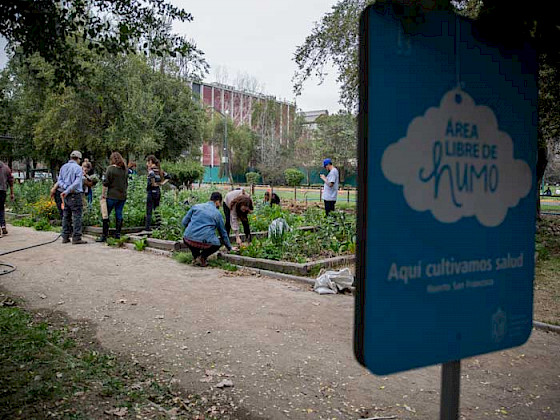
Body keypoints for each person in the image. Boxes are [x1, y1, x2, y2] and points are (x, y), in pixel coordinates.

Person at [182, 192, 234, 267]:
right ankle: (202, 257)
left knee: (194, 242)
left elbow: (184, 222)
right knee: (216, 244)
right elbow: (223, 233)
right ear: (217, 202)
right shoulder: (217, 214)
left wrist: (192, 230)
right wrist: (229, 247)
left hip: (187, 239)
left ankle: (196, 257)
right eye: (220, 203)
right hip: (204, 241)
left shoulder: (196, 207)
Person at [96, 152, 128, 242]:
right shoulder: (124, 170)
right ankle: (118, 234)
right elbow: (126, 183)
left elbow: (105, 183)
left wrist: (103, 195)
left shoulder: (110, 169)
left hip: (112, 196)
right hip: (122, 196)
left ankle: (104, 235)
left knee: (106, 215)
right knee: (119, 214)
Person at [59, 151, 87, 244]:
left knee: (66, 216)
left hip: (65, 195)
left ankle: (65, 236)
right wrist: (68, 190)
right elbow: (77, 182)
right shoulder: (78, 168)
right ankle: (76, 237)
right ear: (78, 159)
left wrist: (65, 188)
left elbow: (60, 180)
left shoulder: (63, 167)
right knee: (77, 216)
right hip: (75, 194)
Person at [145, 155, 168, 231]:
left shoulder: (151, 170)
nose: (146, 164)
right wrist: (161, 183)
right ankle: (159, 225)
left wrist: (153, 183)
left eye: (147, 162)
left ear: (150, 161)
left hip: (151, 191)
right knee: (156, 209)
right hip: (157, 191)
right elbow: (168, 176)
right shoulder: (159, 170)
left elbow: (151, 176)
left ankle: (147, 228)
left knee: (149, 210)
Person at [0, 160, 15, 236]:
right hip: (2, 191)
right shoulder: (6, 168)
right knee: (1, 208)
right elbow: (11, 181)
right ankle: (3, 225)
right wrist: (12, 193)